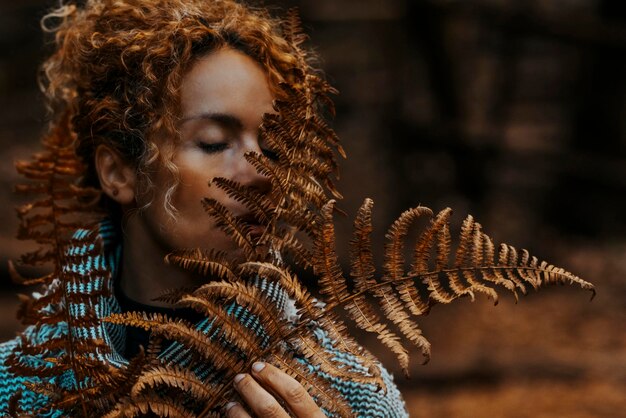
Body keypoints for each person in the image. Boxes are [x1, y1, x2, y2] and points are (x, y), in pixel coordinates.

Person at [0, 0, 408, 416]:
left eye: (271, 147)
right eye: (215, 142)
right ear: (119, 173)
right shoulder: (17, 389)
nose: (262, 170)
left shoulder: (351, 390)